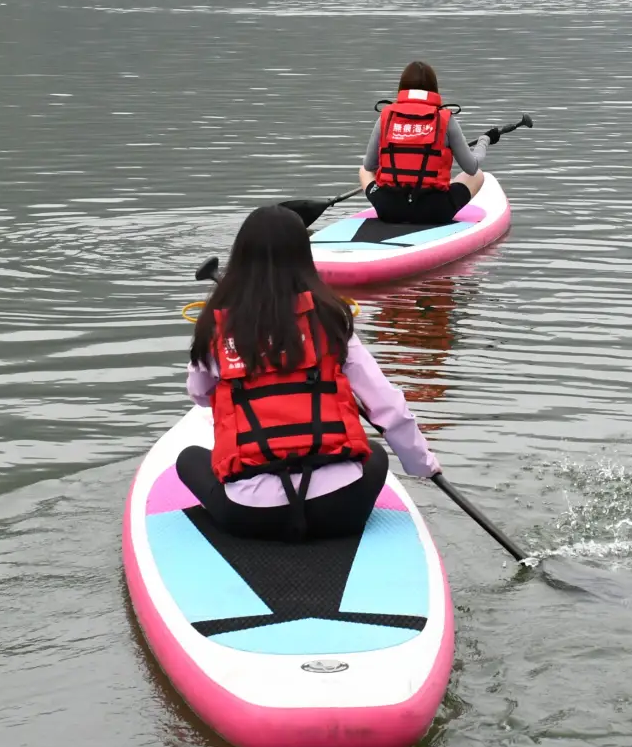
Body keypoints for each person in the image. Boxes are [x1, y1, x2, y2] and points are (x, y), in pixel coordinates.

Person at [179, 204, 441, 541]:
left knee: (189, 460)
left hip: (251, 517)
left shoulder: (215, 331)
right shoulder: (332, 323)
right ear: (304, 257)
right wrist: (423, 465)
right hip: (342, 507)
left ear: (240, 258)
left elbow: (200, 396)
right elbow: (389, 409)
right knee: (374, 455)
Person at [358, 60, 491, 227]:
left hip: (390, 208)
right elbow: (471, 167)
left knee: (363, 170)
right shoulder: (445, 119)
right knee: (477, 174)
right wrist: (483, 142)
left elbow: (370, 165)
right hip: (434, 211)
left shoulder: (386, 116)